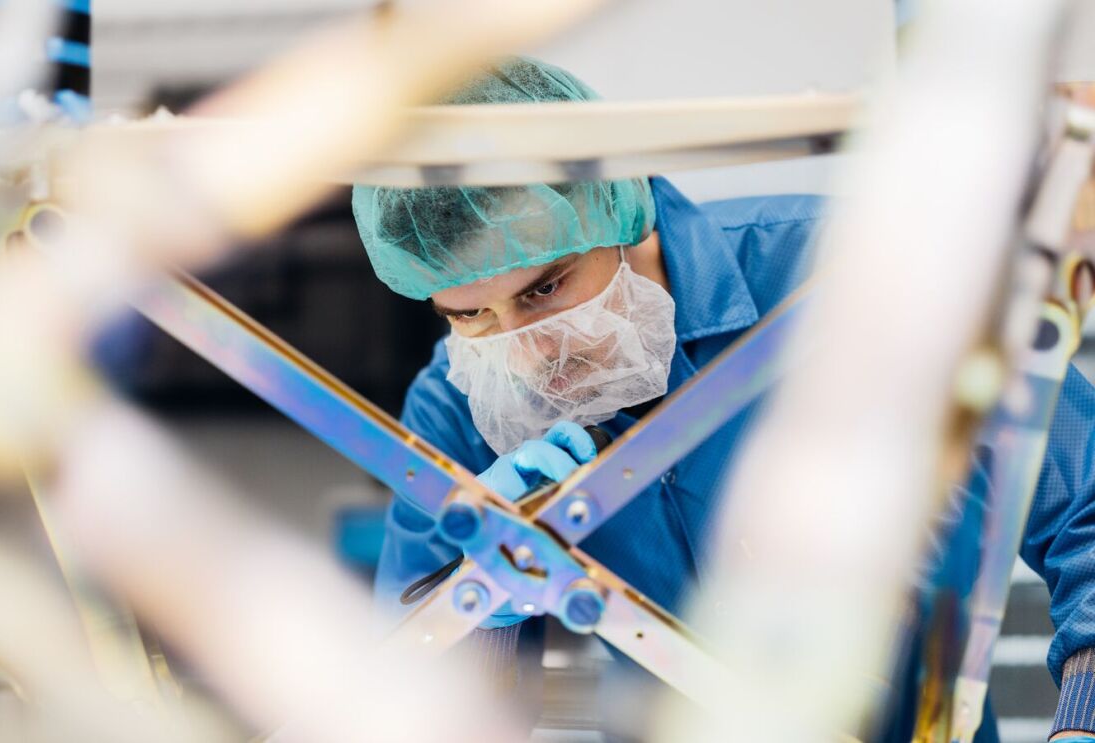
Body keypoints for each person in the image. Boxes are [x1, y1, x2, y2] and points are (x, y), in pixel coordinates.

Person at [351, 57, 1095, 742]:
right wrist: (483, 601)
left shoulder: (842, 277)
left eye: (545, 288)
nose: (527, 350)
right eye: (470, 316)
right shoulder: (456, 407)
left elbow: (1083, 505)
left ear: (620, 207)